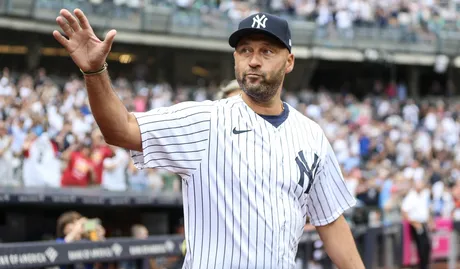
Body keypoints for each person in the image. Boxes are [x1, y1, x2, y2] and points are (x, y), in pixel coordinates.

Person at [54, 10, 364, 269]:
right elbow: (120, 129)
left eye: (266, 51)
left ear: (289, 61)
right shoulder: (206, 120)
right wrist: (95, 72)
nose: (254, 60)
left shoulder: (311, 135)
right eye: (245, 51)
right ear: (235, 59)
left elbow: (330, 221)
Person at [401, 180, 433, 269]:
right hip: (416, 224)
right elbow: (404, 211)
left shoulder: (424, 194)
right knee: (422, 245)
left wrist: (430, 221)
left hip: (424, 223)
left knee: (426, 246)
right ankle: (423, 266)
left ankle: (425, 265)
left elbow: (427, 209)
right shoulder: (411, 196)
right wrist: (414, 223)